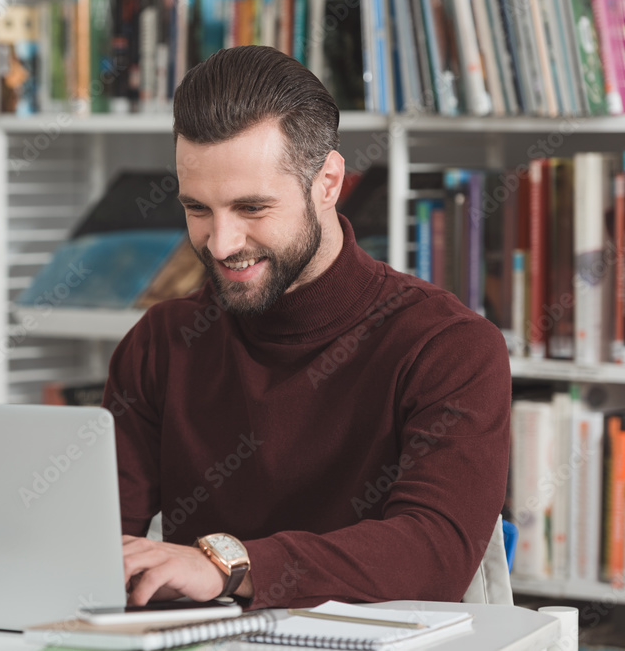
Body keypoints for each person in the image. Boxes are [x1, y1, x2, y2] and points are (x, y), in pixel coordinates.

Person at [102, 45, 511, 609]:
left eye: (251, 209)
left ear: (328, 182)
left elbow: (434, 552)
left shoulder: (449, 347)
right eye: (197, 209)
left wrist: (224, 565)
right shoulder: (159, 342)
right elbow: (95, 544)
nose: (221, 244)